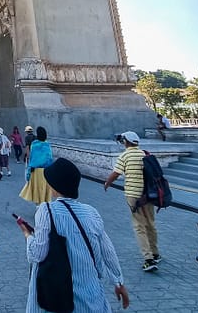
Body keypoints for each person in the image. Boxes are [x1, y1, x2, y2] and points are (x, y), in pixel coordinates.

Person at [17, 159, 129, 313]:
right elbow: (107, 251)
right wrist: (118, 282)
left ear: (54, 186)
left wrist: (28, 235)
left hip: (57, 297)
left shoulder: (45, 210)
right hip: (90, 295)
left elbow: (37, 254)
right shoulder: (91, 212)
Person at [103, 131, 161, 272]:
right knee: (150, 224)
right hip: (148, 195)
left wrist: (107, 183)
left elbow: (116, 173)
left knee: (139, 226)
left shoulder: (125, 155)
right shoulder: (144, 154)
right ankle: (155, 253)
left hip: (133, 196)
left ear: (126, 142)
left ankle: (148, 259)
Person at [20, 126, 54, 204]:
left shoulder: (34, 144)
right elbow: (49, 158)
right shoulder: (47, 145)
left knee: (37, 189)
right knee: (45, 189)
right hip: (46, 171)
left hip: (35, 170)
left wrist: (29, 166)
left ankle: (38, 206)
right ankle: (46, 205)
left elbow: (32, 157)